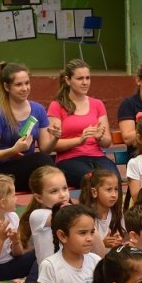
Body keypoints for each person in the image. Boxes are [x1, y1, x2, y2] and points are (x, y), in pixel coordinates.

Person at [0, 62, 60, 192]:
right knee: (43, 161)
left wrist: (55, 138)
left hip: (28, 167)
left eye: (27, 83)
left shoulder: (38, 109)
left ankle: (60, 207)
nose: (25, 88)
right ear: (7, 87)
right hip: (2, 172)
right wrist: (14, 150)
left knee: (48, 172)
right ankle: (66, 206)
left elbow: (45, 149)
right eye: (19, 84)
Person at [47, 59, 118, 188]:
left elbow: (107, 142)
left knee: (113, 179)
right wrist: (79, 140)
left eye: (88, 78)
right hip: (69, 159)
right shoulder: (57, 106)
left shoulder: (97, 104)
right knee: (93, 181)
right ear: (68, 80)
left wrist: (99, 137)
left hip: (96, 155)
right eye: (80, 79)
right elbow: (53, 144)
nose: (85, 82)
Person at [18, 165, 71, 263]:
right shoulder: (37, 215)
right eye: (54, 191)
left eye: (65, 188)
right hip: (50, 275)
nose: (63, 195)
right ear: (39, 198)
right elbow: (65, 217)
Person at [79, 169, 125, 252]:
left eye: (116, 189)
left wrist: (118, 240)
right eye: (109, 190)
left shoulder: (117, 212)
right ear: (94, 192)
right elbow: (82, 248)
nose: (114, 195)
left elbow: (123, 235)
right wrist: (102, 244)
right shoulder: (85, 216)